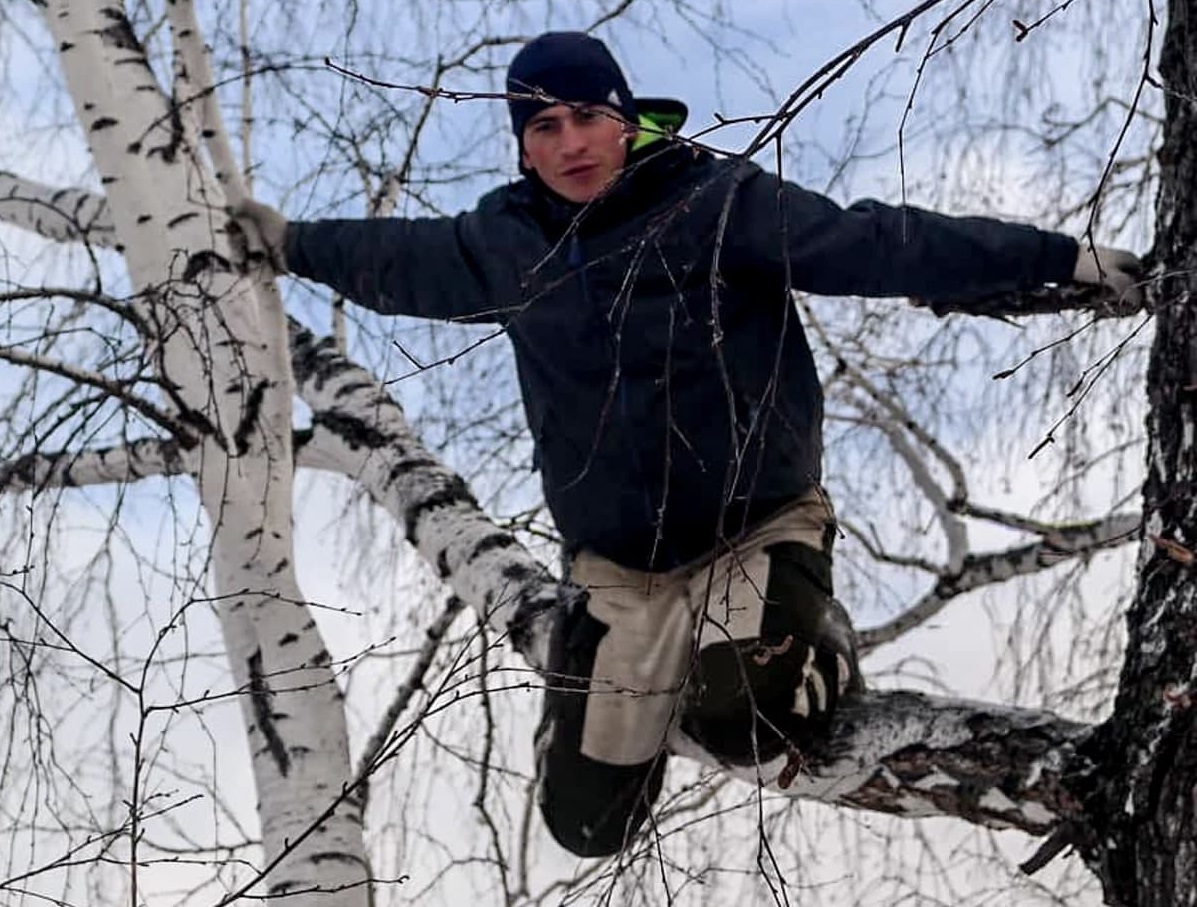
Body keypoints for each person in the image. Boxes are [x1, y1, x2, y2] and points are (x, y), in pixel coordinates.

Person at [231, 31, 1142, 858]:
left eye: (587, 116)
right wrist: (287, 242)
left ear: (626, 119)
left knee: (751, 720)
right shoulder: (503, 245)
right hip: (620, 572)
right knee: (585, 827)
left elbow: (880, 243)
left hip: (754, 529)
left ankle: (811, 634)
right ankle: (593, 675)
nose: (569, 144)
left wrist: (1051, 259)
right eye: (542, 125)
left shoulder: (713, 202)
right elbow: (389, 259)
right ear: (521, 143)